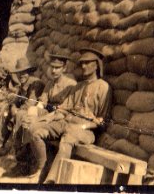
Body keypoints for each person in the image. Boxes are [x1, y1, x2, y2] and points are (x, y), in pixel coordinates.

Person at [28, 48, 112, 183]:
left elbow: (102, 120)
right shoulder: (78, 86)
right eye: (82, 63)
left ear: (96, 65)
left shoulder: (103, 87)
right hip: (66, 124)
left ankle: (52, 180)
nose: (83, 66)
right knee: (35, 131)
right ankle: (42, 169)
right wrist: (45, 119)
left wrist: (84, 125)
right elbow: (64, 109)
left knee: (67, 138)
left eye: (87, 63)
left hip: (86, 132)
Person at [0, 57, 45, 157]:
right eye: (19, 73)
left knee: (19, 114)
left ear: (29, 72)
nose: (21, 75)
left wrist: (17, 110)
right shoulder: (23, 84)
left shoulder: (35, 84)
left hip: (36, 112)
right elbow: (16, 100)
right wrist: (13, 106)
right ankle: (3, 143)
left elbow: (31, 103)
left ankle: (17, 149)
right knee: (7, 110)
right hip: (26, 110)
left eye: (24, 72)